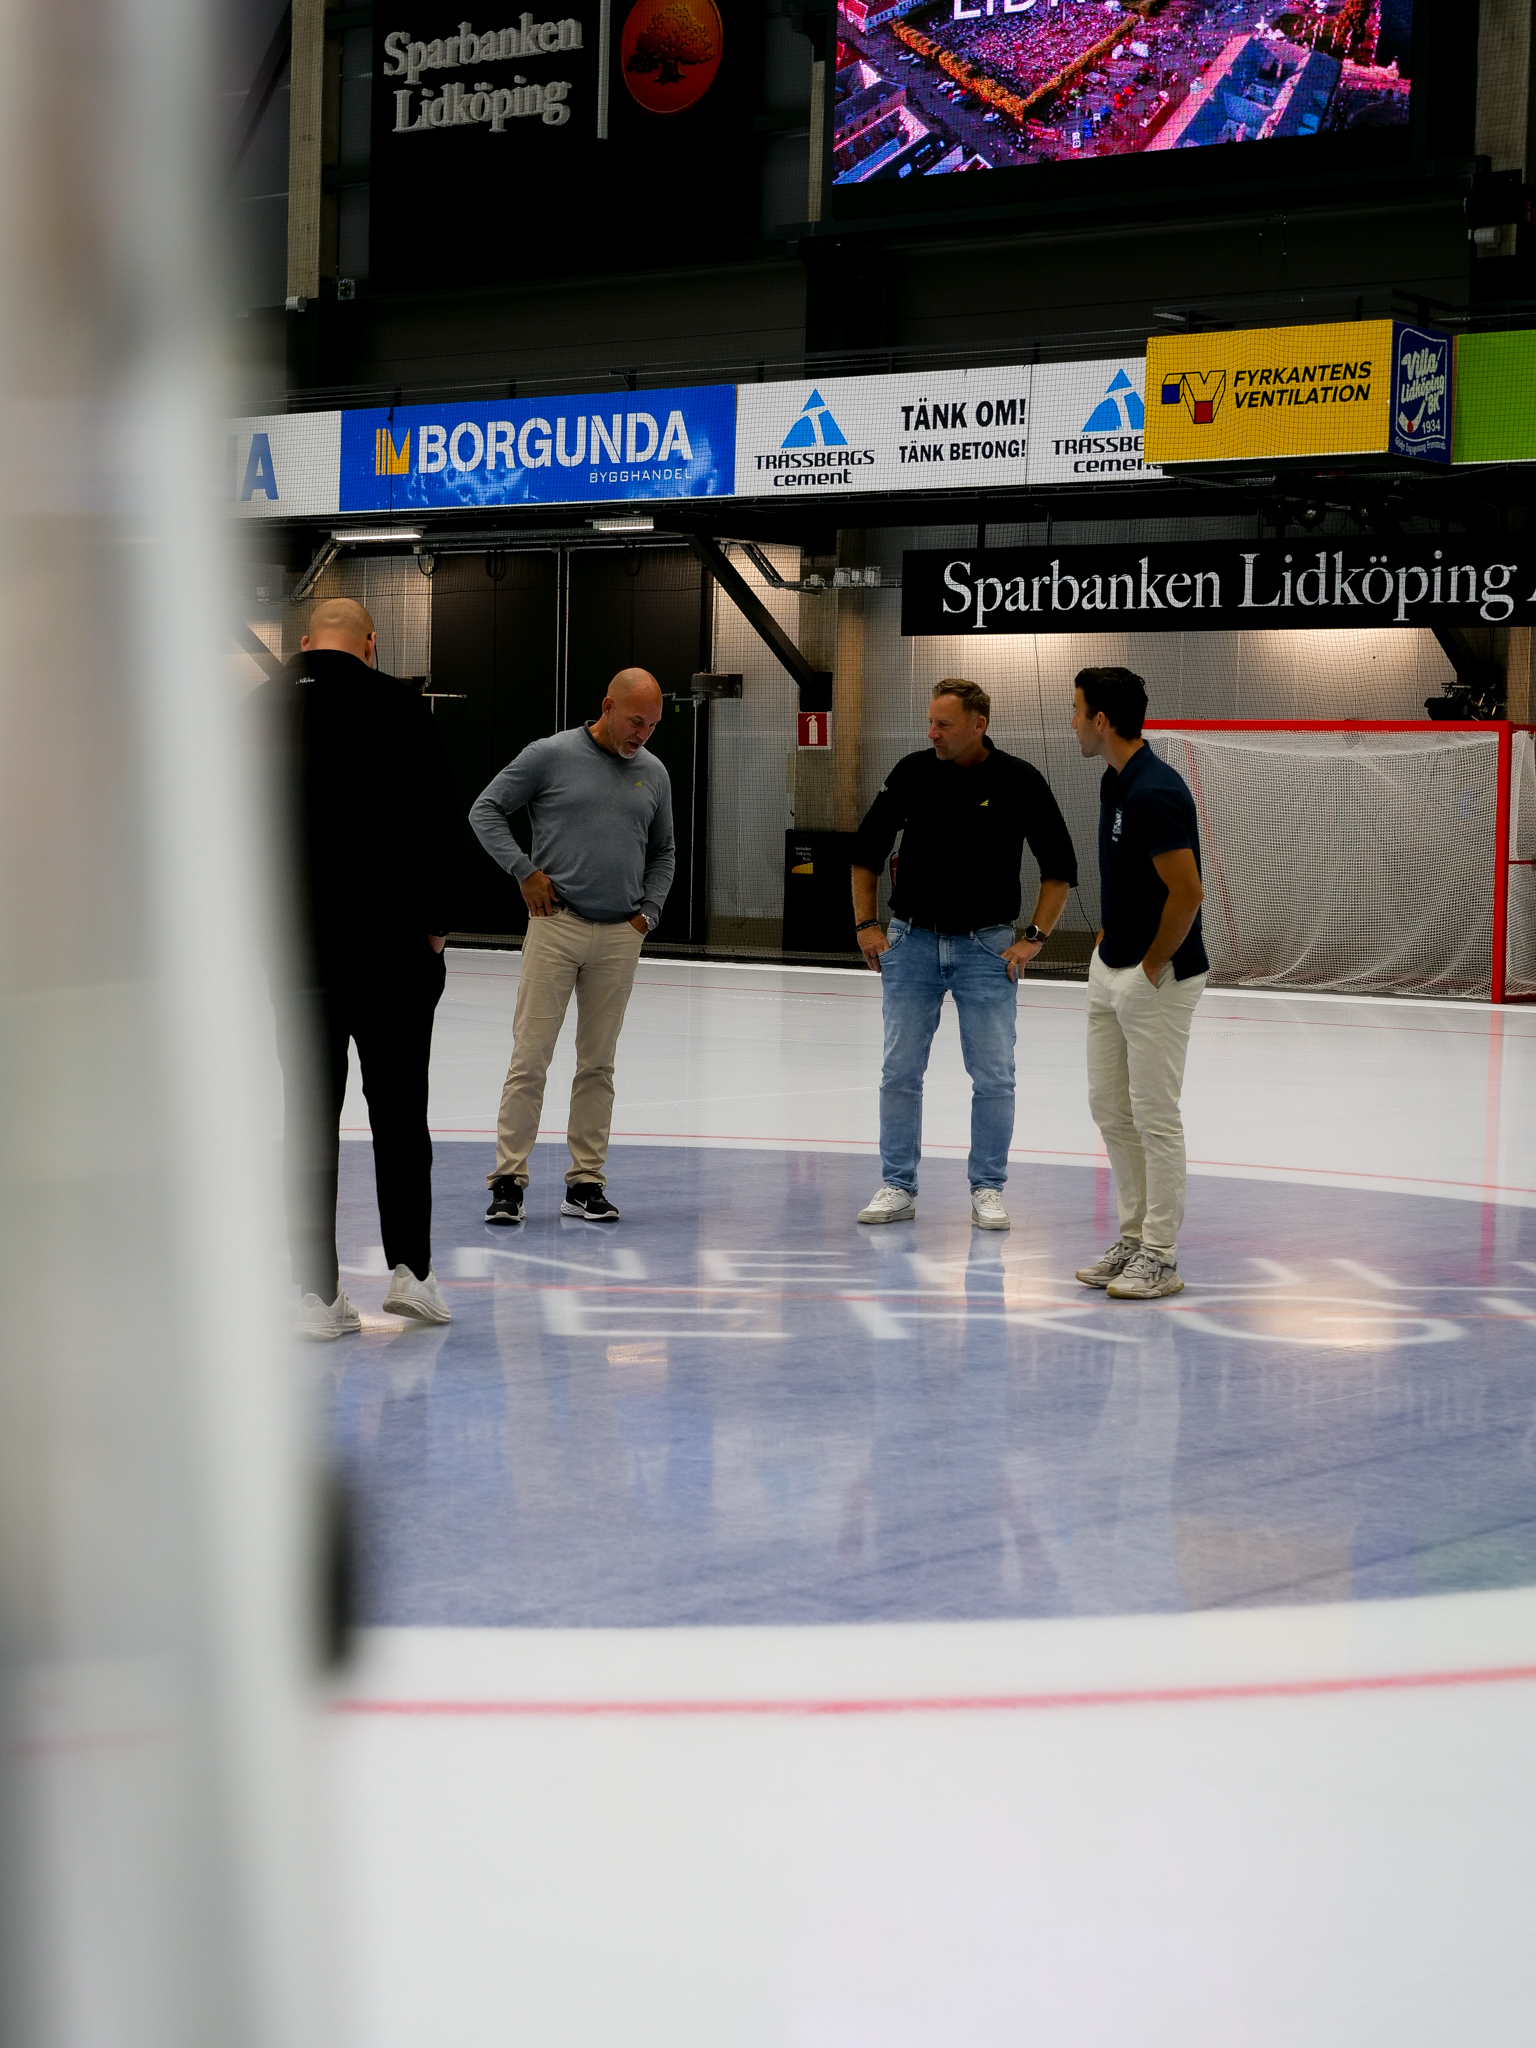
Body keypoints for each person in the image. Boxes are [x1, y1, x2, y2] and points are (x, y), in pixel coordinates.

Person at [256, 597, 460, 1338]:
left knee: (308, 1118)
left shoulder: (255, 712)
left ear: (303, 640)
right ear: (370, 643)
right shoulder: (401, 708)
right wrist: (435, 929)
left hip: (298, 955)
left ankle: (315, 1293)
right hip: (391, 954)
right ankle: (412, 1274)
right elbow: (439, 822)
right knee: (400, 1114)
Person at [850, 678, 1077, 1232]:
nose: (932, 733)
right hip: (911, 943)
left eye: (943, 724)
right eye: (930, 722)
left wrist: (1034, 937)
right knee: (900, 1071)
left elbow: (1060, 868)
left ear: (979, 724)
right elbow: (866, 850)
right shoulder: (912, 772)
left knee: (994, 1075)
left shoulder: (1020, 780)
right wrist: (866, 925)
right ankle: (897, 1184)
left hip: (987, 948)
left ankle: (988, 1188)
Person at [469, 669, 675, 1224]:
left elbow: (664, 851)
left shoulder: (654, 773)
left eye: (652, 726)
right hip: (555, 928)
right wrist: (524, 871)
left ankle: (585, 1183)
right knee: (530, 1058)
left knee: (597, 1066)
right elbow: (484, 810)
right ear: (607, 706)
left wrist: (647, 915)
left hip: (620, 937)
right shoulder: (550, 755)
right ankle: (508, 1180)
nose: (642, 735)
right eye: (636, 721)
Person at [1070, 665, 1208, 1301]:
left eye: (1077, 711)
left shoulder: (1154, 791)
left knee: (1155, 1117)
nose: (1073, 722)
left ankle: (1160, 1254)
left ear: (1101, 720)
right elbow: (1128, 874)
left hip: (1159, 976)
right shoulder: (1114, 779)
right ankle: (1132, 1239)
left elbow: (1188, 893)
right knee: (1110, 1108)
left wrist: (1151, 967)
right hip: (1112, 966)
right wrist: (1109, 943)